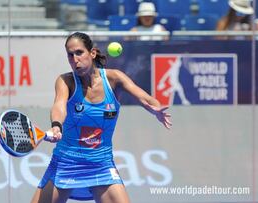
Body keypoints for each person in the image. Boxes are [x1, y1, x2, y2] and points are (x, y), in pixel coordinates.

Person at [31, 32, 172, 203]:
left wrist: (155, 109)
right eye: (70, 54)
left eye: (79, 52)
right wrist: (56, 126)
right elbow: (59, 105)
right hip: (66, 163)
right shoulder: (65, 81)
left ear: (92, 53)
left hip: (101, 165)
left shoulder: (114, 78)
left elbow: (147, 99)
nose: (75, 59)